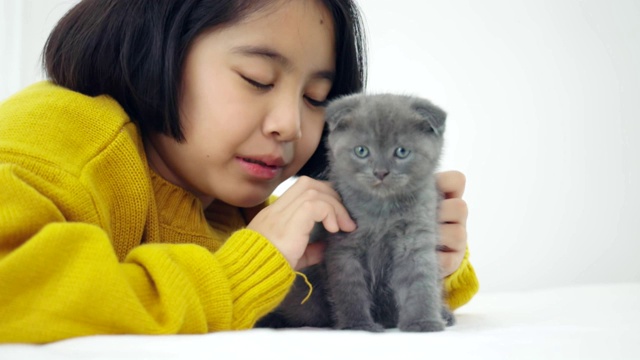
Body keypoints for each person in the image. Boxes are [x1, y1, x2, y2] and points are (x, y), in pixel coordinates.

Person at [0, 0, 478, 343]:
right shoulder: (66, 130)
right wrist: (234, 278)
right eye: (257, 79)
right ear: (157, 47)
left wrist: (426, 262)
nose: (290, 124)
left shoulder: (239, 214)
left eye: (314, 99)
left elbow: (320, 297)